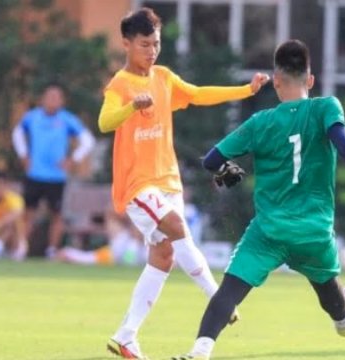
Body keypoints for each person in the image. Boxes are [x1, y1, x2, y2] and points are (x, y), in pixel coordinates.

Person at [172, 39, 345, 360]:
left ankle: (199, 352)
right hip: (314, 230)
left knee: (229, 290)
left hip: (270, 230)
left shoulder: (260, 122)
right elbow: (344, 143)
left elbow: (211, 160)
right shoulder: (326, 107)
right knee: (331, 297)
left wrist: (225, 171)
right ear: (310, 80)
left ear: (276, 80)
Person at [98, 8, 269, 359]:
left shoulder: (162, 77)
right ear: (127, 44)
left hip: (168, 180)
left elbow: (197, 93)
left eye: (156, 43)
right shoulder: (121, 84)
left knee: (163, 256)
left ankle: (126, 336)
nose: (152, 50)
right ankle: (216, 296)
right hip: (139, 184)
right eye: (145, 44)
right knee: (177, 228)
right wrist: (131, 107)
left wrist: (245, 90)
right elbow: (104, 122)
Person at [12, 84, 96, 258]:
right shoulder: (32, 117)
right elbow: (17, 133)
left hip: (56, 177)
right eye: (50, 96)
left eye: (57, 97)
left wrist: (73, 159)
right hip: (34, 173)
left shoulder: (67, 120)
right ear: (43, 99)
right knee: (28, 213)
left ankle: (51, 250)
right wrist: (23, 155)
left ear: (62, 101)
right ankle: (20, 249)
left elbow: (87, 140)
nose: (53, 100)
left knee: (56, 215)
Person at [0, 170, 26, 260]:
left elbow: (17, 213)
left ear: (6, 186)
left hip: (7, 233)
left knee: (14, 222)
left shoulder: (13, 199)